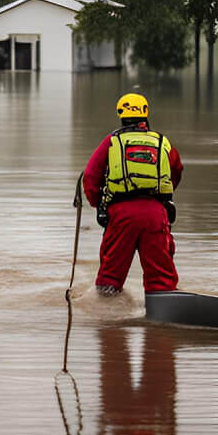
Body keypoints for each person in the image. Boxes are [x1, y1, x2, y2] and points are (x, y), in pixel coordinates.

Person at [82, 93, 182, 296]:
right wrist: (162, 198)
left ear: (120, 113)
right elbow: (176, 171)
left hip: (121, 215)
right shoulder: (162, 142)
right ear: (146, 113)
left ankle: (105, 309)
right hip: (155, 214)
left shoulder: (112, 141)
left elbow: (90, 177)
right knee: (161, 275)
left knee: (110, 276)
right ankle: (163, 305)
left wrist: (99, 206)